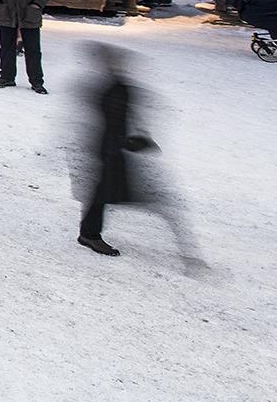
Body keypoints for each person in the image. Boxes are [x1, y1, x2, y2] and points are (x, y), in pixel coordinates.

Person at [76, 44, 201, 269]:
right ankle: (89, 234)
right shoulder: (110, 89)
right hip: (110, 151)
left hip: (114, 151)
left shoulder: (117, 88)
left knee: (104, 194)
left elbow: (125, 118)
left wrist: (138, 138)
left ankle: (89, 233)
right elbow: (113, 122)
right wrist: (132, 141)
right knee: (114, 194)